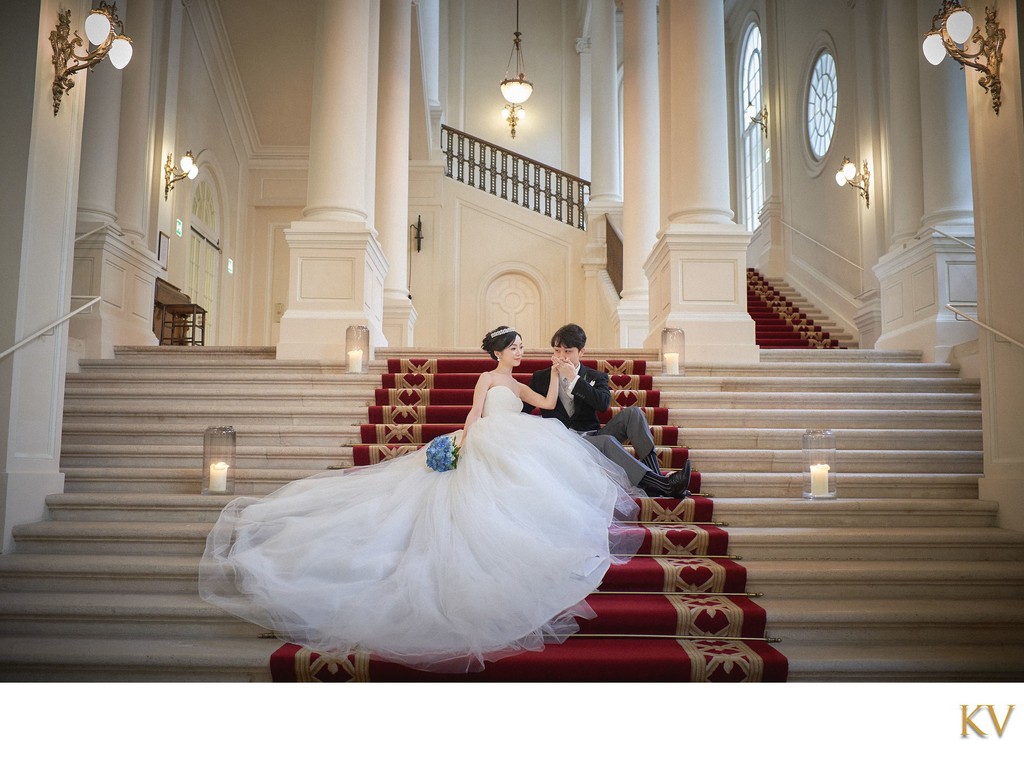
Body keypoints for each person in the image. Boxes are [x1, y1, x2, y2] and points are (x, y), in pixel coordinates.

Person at [199, 326, 642, 674]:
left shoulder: (525, 383)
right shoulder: (487, 379)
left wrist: (564, 378)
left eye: (524, 347)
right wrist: (462, 443)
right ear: (499, 352)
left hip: (518, 439)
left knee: (526, 491)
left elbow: (546, 405)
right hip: (485, 440)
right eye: (516, 347)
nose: (521, 352)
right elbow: (472, 413)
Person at [524, 323, 691, 499]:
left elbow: (603, 405)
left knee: (633, 414)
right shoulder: (541, 378)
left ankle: (655, 482)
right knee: (606, 441)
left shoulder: (597, 376)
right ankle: (662, 485)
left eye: (568, 351)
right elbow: (524, 408)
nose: (561, 357)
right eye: (557, 351)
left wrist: (574, 379)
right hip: (563, 443)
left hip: (591, 436)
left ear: (581, 352)